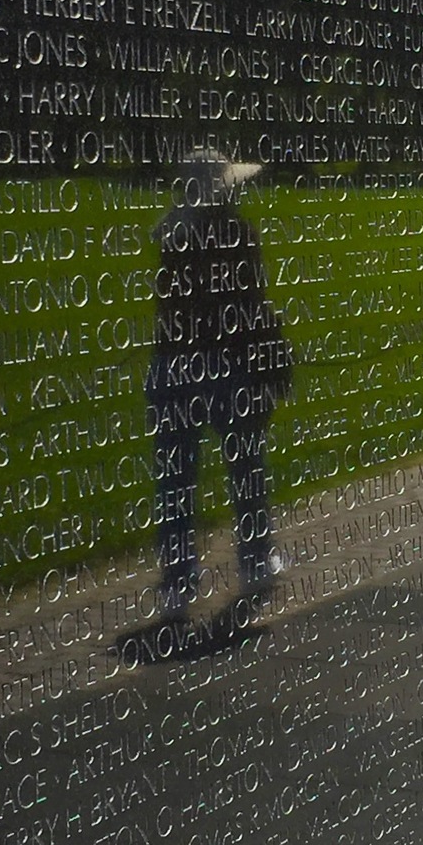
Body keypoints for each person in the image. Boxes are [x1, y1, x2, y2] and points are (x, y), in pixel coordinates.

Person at [143, 148, 294, 643]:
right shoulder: (238, 234)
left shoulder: (172, 236)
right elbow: (252, 306)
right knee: (246, 468)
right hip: (228, 366)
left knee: (175, 482)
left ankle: (177, 583)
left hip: (173, 366)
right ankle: (255, 562)